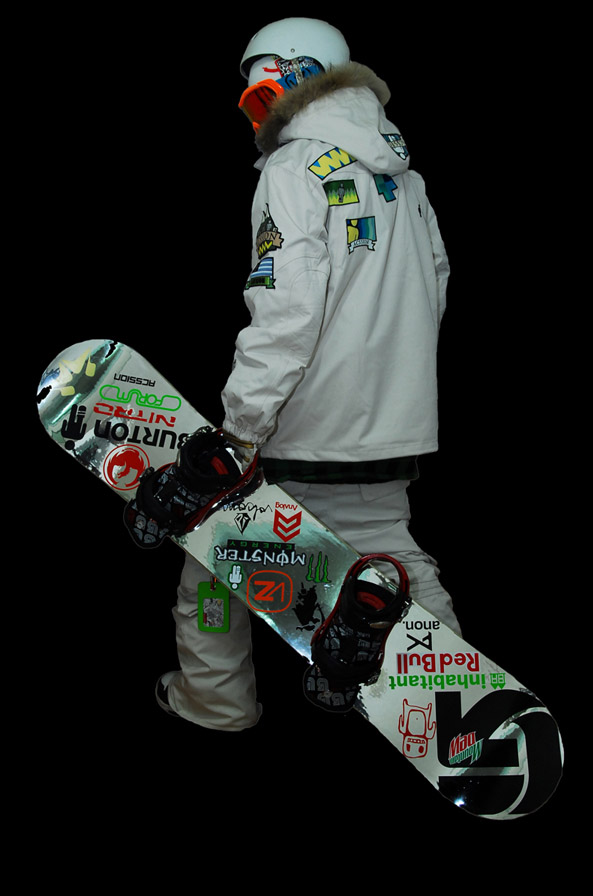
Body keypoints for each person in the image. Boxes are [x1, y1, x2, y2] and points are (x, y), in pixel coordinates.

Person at [156, 17, 460, 731]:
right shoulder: (405, 181)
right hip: (391, 425)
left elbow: (285, 312)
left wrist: (239, 429)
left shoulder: (293, 170)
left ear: (297, 78)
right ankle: (458, 704)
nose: (259, 120)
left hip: (306, 424)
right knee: (391, 558)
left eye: (262, 99)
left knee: (212, 555)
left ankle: (216, 703)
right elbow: (435, 286)